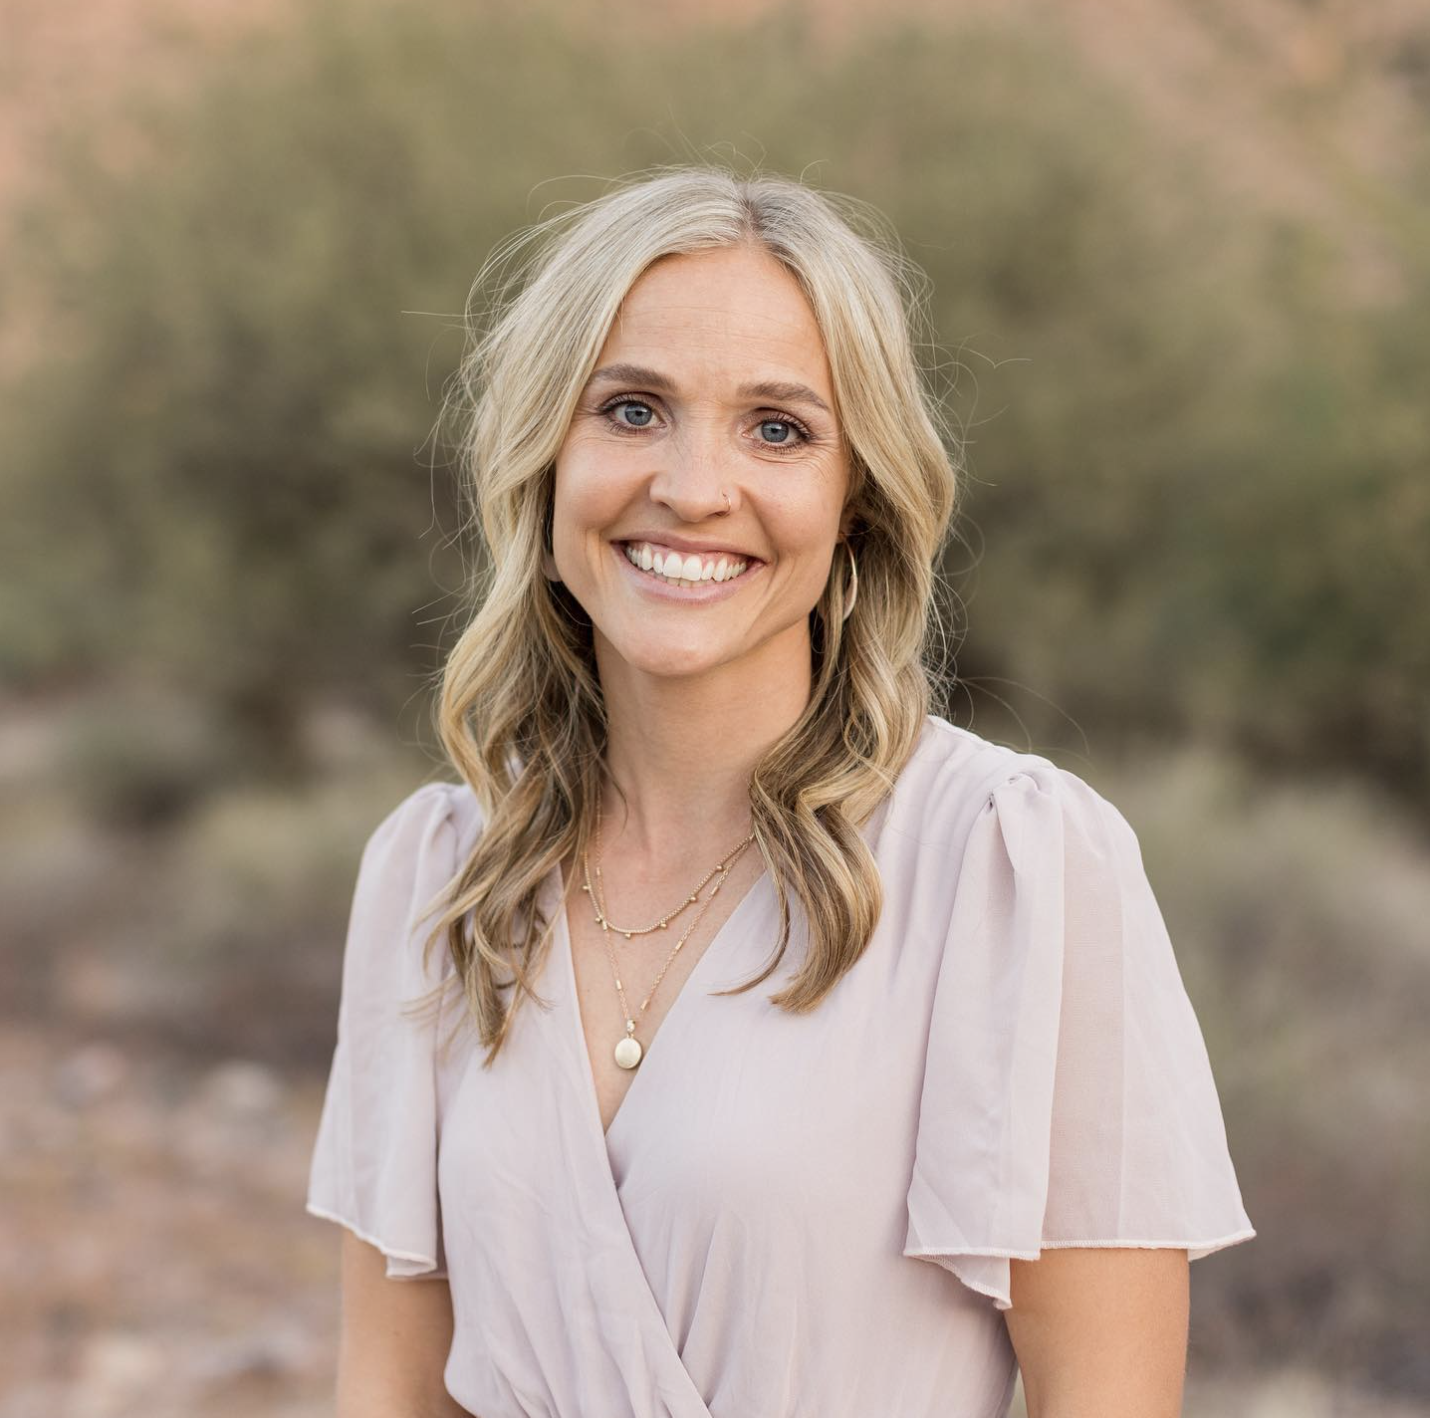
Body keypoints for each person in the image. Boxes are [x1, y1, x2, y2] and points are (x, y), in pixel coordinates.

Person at [305, 165, 1255, 1418]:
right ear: (544, 454)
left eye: (777, 427)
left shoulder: (1008, 863)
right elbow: (392, 1395)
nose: (695, 487)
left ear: (854, 495)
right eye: (631, 409)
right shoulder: (436, 874)